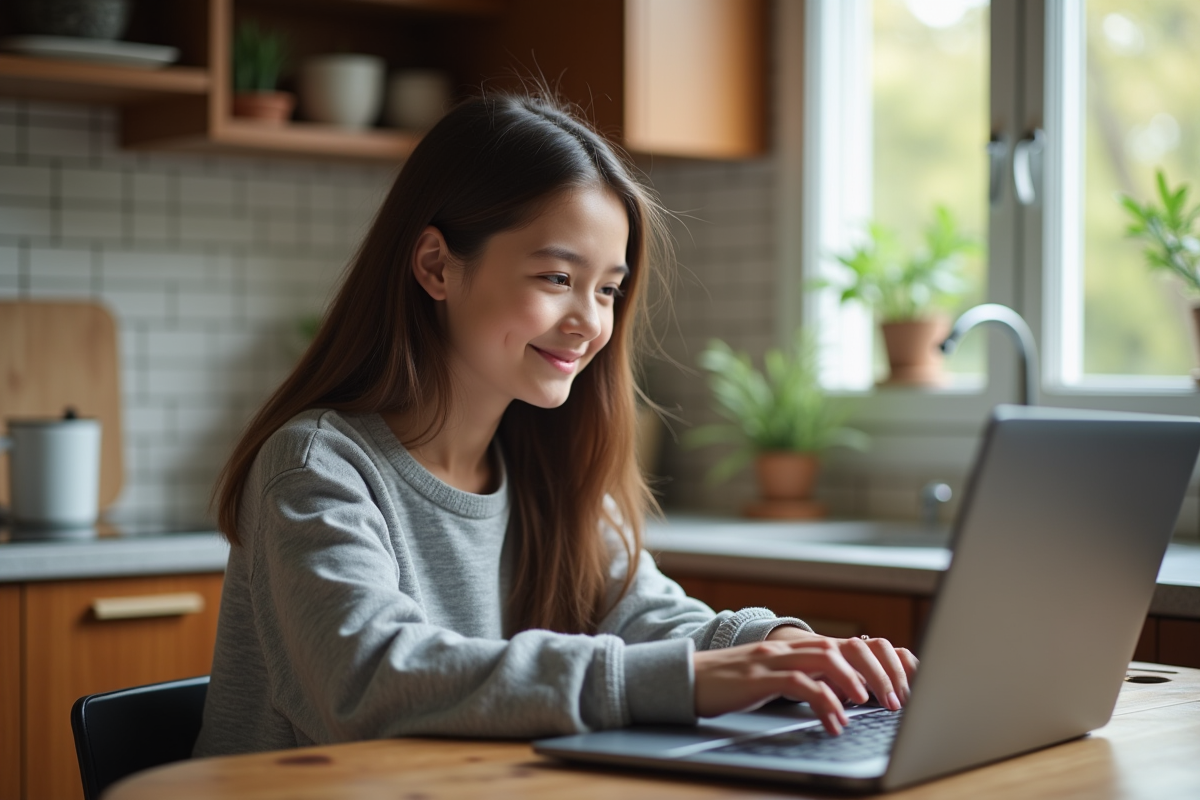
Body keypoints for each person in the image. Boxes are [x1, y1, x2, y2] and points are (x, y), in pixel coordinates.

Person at [193, 90, 918, 758]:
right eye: (556, 278)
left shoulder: (544, 467)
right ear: (437, 266)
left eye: (607, 289)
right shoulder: (317, 466)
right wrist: (688, 680)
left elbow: (652, 619)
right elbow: (372, 680)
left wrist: (780, 644)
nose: (590, 323)